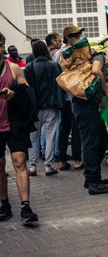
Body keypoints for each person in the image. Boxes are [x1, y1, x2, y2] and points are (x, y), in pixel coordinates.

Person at [63, 24, 108, 195]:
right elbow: (95, 71)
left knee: (99, 138)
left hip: (87, 103)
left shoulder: (83, 54)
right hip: (82, 104)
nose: (79, 38)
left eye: (79, 35)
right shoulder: (69, 55)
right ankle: (94, 181)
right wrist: (107, 91)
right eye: (75, 36)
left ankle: (91, 177)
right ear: (68, 38)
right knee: (91, 142)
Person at [0, 31, 39, 225]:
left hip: (14, 123)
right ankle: (4, 204)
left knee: (20, 162)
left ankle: (26, 206)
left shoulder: (14, 69)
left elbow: (28, 93)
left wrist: (13, 93)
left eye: (0, 45)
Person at [24, 41, 64, 176]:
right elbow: (60, 84)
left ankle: (33, 166)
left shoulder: (29, 67)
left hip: (35, 108)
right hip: (52, 106)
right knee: (50, 135)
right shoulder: (54, 66)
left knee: (33, 137)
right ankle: (48, 165)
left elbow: (27, 89)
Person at [53, 42, 83, 171]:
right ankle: (77, 159)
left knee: (64, 128)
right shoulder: (75, 52)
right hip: (74, 96)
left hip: (62, 97)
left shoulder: (56, 55)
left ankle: (62, 160)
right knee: (75, 128)